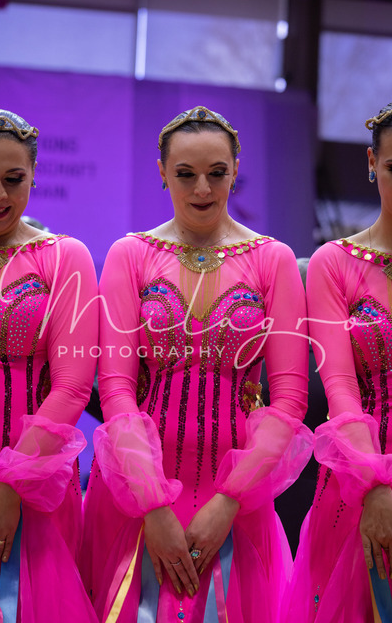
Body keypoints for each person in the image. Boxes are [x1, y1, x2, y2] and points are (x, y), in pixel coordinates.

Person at [81, 106, 312, 622]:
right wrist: (152, 504)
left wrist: (231, 500)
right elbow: (115, 389)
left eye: (217, 173)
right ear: (163, 172)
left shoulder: (272, 259)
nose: (203, 188)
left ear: (235, 170)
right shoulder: (130, 255)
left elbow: (290, 400)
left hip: (237, 493)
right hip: (140, 489)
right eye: (186, 174)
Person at [0, 109, 98, 622]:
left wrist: (10, 486)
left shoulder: (64, 257)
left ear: (33, 177)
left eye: (13, 179)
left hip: (31, 490)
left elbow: (72, 388)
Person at [285, 100, 392, 622]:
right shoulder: (334, 263)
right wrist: (375, 487)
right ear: (373, 164)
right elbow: (339, 388)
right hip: (359, 482)